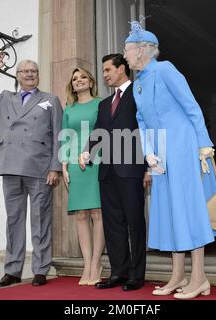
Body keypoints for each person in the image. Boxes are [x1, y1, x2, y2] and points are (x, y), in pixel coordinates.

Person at [123, 21, 216, 299]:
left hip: (183, 146)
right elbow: (142, 122)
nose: (125, 55)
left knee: (189, 210)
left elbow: (192, 107)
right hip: (161, 155)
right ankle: (178, 276)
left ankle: (200, 277)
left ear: (143, 50)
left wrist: (204, 145)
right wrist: (147, 152)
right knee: (169, 212)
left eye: (127, 49)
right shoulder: (138, 85)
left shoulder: (165, 70)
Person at [0, 52, 63, 287]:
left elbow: (59, 136)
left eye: (34, 71)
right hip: (10, 166)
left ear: (38, 76)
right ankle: (12, 270)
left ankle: (41, 269)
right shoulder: (3, 99)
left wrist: (55, 167)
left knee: (41, 220)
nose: (30, 74)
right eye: (25, 71)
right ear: (17, 75)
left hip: (40, 168)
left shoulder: (50, 99)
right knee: (14, 220)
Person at [79, 54, 151, 291]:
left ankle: (136, 275)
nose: (105, 74)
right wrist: (86, 152)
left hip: (131, 169)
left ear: (122, 69)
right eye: (104, 70)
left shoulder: (139, 94)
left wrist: (150, 166)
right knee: (113, 224)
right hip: (107, 172)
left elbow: (147, 129)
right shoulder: (103, 104)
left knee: (134, 223)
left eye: (108, 69)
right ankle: (119, 272)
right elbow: (98, 133)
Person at [60, 67, 105, 286]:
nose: (79, 81)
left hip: (96, 160)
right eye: (75, 78)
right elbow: (65, 138)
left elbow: (105, 133)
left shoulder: (100, 104)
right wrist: (64, 165)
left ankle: (97, 263)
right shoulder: (69, 109)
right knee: (80, 214)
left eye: (83, 77)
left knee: (97, 212)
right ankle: (86, 264)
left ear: (91, 81)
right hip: (75, 165)